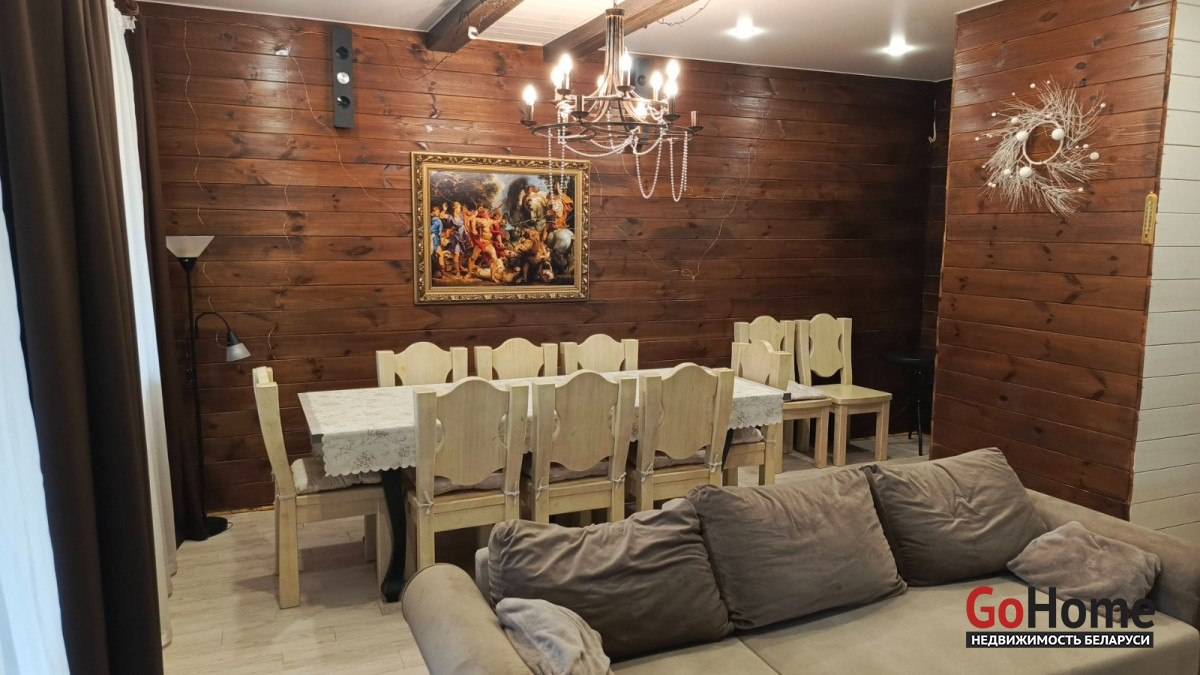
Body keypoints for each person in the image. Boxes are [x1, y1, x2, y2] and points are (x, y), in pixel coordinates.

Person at [429, 205, 445, 278]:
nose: (438, 212)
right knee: (440, 255)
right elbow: (431, 230)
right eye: (436, 211)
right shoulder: (436, 221)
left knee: (438, 255)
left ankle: (442, 274)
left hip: (435, 239)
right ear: (432, 213)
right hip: (433, 239)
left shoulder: (436, 219)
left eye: (438, 211)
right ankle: (443, 274)